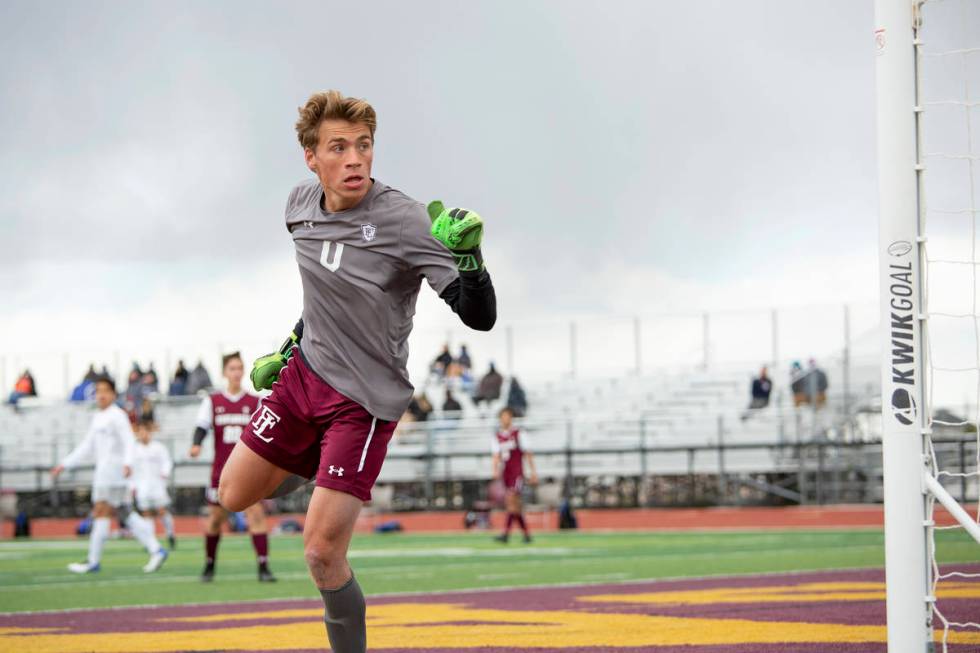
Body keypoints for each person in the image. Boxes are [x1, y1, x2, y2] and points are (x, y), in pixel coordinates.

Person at [217, 90, 496, 653]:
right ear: (310, 157)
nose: (354, 159)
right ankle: (322, 468)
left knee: (321, 552)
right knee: (231, 496)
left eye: (363, 146)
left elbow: (479, 316)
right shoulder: (297, 206)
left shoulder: (405, 220)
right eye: (338, 147)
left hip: (362, 403)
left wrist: (471, 261)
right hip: (302, 379)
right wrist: (291, 342)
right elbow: (326, 286)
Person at [50, 376, 168, 574]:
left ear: (113, 394)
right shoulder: (98, 417)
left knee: (101, 510)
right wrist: (65, 464)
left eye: (105, 391)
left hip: (113, 472)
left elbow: (129, 440)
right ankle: (156, 549)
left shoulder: (117, 415)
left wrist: (128, 463)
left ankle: (93, 561)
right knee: (124, 513)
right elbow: (87, 446)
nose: (101, 395)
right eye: (98, 391)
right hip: (106, 472)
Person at [188, 352, 275, 583]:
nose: (236, 373)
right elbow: (201, 426)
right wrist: (196, 444)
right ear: (225, 372)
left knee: (255, 514)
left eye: (239, 368)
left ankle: (263, 566)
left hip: (249, 471)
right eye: (232, 368)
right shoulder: (213, 401)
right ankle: (209, 565)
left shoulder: (254, 402)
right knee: (216, 520)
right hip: (221, 471)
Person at [491, 407, 537, 544]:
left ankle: (505, 533)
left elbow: (528, 453)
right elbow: (496, 455)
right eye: (503, 416)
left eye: (507, 416)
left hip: (517, 472)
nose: (505, 419)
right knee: (515, 505)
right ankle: (527, 535)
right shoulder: (497, 436)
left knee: (511, 501)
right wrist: (494, 469)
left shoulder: (519, 433)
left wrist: (533, 472)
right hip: (506, 473)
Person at [132, 414, 176, 550]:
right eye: (140, 431)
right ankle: (151, 542)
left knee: (161, 511)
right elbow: (130, 469)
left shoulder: (158, 447)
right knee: (146, 513)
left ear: (149, 432)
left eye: (145, 431)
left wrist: (165, 473)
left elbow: (167, 461)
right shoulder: (133, 449)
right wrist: (132, 485)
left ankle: (170, 534)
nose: (143, 434)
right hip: (142, 486)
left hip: (157, 484)